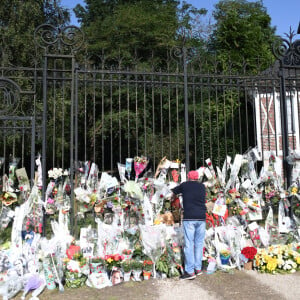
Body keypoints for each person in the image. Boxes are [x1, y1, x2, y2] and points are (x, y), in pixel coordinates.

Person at [172, 170, 206, 280]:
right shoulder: (202, 187)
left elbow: (173, 192)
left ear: (188, 177)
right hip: (201, 217)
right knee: (199, 243)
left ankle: (190, 271)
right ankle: (198, 268)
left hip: (189, 217)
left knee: (189, 244)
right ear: (197, 178)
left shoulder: (184, 185)